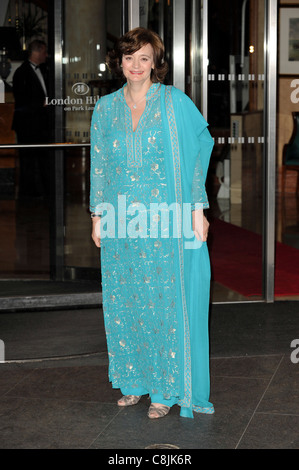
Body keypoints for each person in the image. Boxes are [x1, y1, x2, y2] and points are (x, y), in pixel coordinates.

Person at [90, 27, 214, 419]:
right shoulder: (104, 108)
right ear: (119, 62)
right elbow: (99, 164)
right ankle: (133, 381)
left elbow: (199, 148)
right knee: (125, 302)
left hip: (165, 220)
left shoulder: (173, 102)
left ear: (155, 62)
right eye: (129, 58)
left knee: (163, 303)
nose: (136, 66)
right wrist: (96, 214)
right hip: (120, 220)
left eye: (144, 58)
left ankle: (163, 388)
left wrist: (197, 207)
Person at [12, 39, 50, 197]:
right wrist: (40, 104)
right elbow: (21, 99)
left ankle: (43, 191)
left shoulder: (45, 70)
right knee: (27, 159)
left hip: (41, 123)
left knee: (43, 158)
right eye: (44, 52)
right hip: (27, 123)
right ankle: (28, 193)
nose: (46, 55)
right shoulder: (21, 72)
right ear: (37, 51)